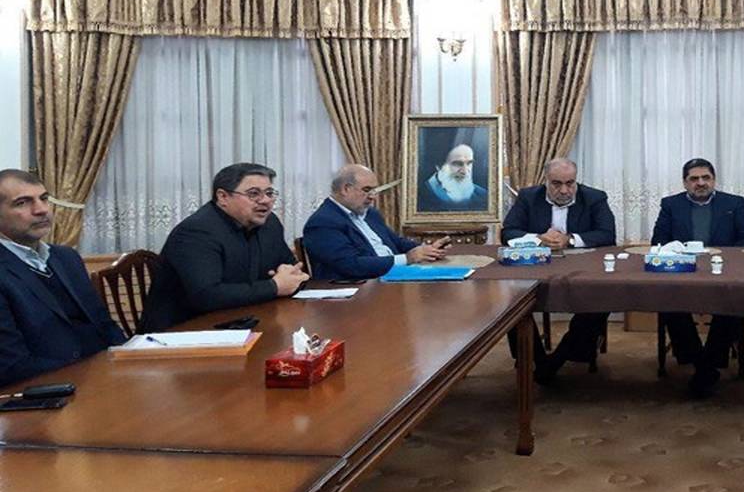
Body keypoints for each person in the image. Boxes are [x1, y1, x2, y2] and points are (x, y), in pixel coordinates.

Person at [142, 163, 309, 331]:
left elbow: (294, 272)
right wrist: (274, 286)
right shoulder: (196, 232)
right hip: (181, 333)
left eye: (269, 193)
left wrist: (289, 277)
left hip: (244, 320)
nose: (265, 200)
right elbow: (207, 296)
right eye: (253, 193)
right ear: (223, 197)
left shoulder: (269, 224)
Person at [0, 169, 127, 387]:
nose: (41, 210)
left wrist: (128, 359)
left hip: (104, 377)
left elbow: (104, 325)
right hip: (49, 390)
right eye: (22, 203)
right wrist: (91, 374)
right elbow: (12, 366)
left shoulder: (66, 257)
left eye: (44, 199)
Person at [501, 158, 616, 383]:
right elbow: (508, 232)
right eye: (556, 184)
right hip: (536, 268)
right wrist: (538, 238)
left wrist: (570, 239)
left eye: (570, 183)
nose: (564, 190)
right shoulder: (528, 197)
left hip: (582, 269)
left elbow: (607, 234)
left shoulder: (595, 197)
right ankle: (533, 357)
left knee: (603, 296)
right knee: (511, 299)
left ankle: (557, 360)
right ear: (546, 181)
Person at [651, 158, 744, 396]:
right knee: (668, 301)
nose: (700, 183)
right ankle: (700, 363)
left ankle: (708, 364)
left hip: (723, 272)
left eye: (706, 178)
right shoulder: (671, 204)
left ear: (714, 180)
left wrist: (718, 256)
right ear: (685, 183)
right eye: (694, 179)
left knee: (733, 302)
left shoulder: (733, 203)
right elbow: (658, 241)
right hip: (682, 272)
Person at [303, 164, 450, 280]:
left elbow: (396, 242)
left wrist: (427, 250)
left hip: (391, 278)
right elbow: (351, 265)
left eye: (374, 190)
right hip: (360, 290)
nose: (372, 196)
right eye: (367, 190)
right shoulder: (322, 223)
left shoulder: (370, 214)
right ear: (346, 189)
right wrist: (408, 258)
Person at [417, 142, 488, 212]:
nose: (465, 171)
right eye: (458, 164)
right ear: (439, 166)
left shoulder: (483, 196)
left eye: (469, 163)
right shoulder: (419, 198)